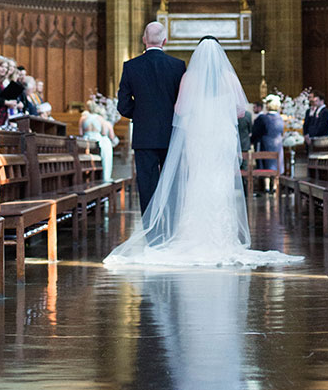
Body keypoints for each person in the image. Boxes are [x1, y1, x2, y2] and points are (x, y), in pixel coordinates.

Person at [104, 37, 303, 268]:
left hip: (199, 136)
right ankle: (222, 238)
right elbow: (240, 111)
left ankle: (192, 236)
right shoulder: (228, 77)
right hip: (220, 136)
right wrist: (220, 109)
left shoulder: (190, 77)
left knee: (198, 179)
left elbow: (180, 109)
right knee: (220, 181)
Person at [116, 21, 187, 215]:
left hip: (144, 136)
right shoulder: (178, 66)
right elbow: (184, 102)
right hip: (171, 133)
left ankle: (152, 233)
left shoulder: (131, 66)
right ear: (165, 40)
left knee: (147, 186)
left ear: (144, 40)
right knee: (172, 184)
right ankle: (171, 229)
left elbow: (122, 105)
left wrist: (140, 115)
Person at [80, 99, 119, 181]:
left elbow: (81, 133)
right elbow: (104, 133)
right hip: (96, 140)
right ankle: (105, 175)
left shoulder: (83, 118)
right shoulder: (100, 119)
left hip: (86, 141)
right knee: (106, 144)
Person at [252, 93, 285, 174]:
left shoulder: (263, 118)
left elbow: (256, 132)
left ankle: (267, 185)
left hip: (266, 145)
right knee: (275, 166)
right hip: (278, 145)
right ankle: (274, 185)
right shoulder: (280, 118)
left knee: (267, 167)